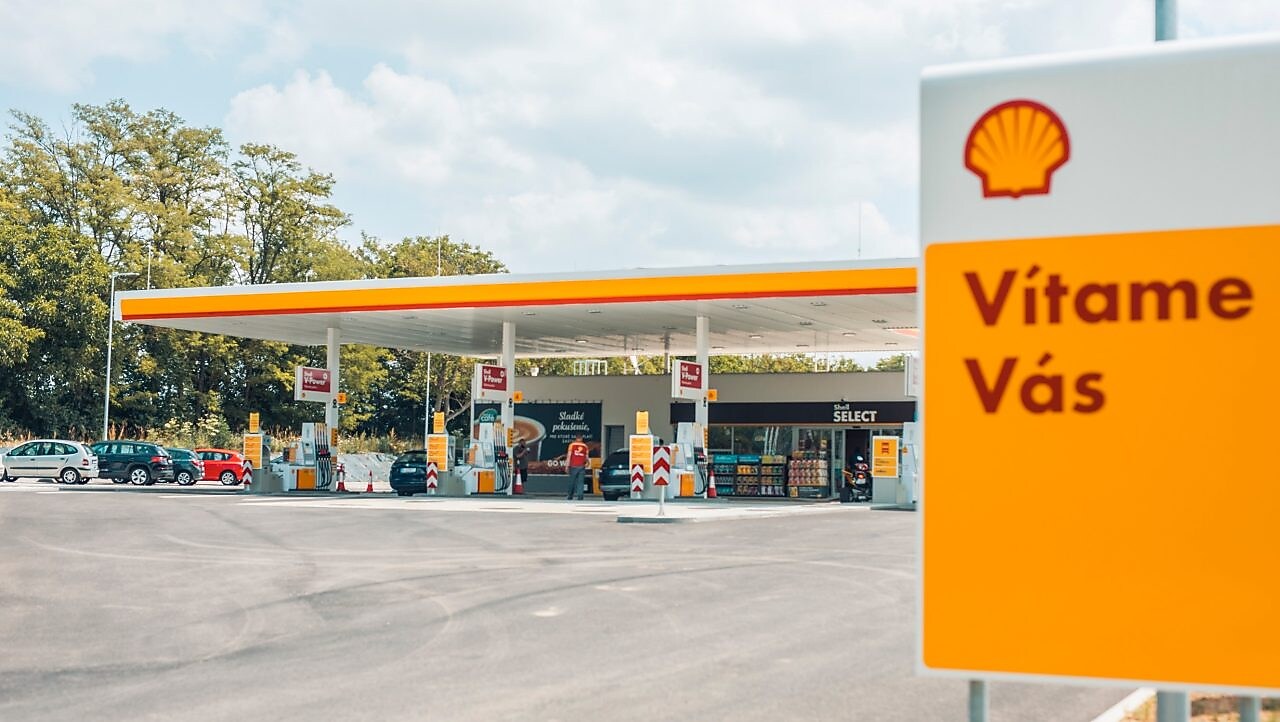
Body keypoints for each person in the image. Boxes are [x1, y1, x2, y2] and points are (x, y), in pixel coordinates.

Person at [565, 436, 589, 500]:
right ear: (581, 439)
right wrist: (587, 463)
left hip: (573, 466)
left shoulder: (572, 445)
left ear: (576, 438)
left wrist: (567, 466)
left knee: (572, 481)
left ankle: (570, 496)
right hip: (582, 466)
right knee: (580, 482)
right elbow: (587, 457)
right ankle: (580, 496)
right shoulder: (585, 446)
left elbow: (569, 456)